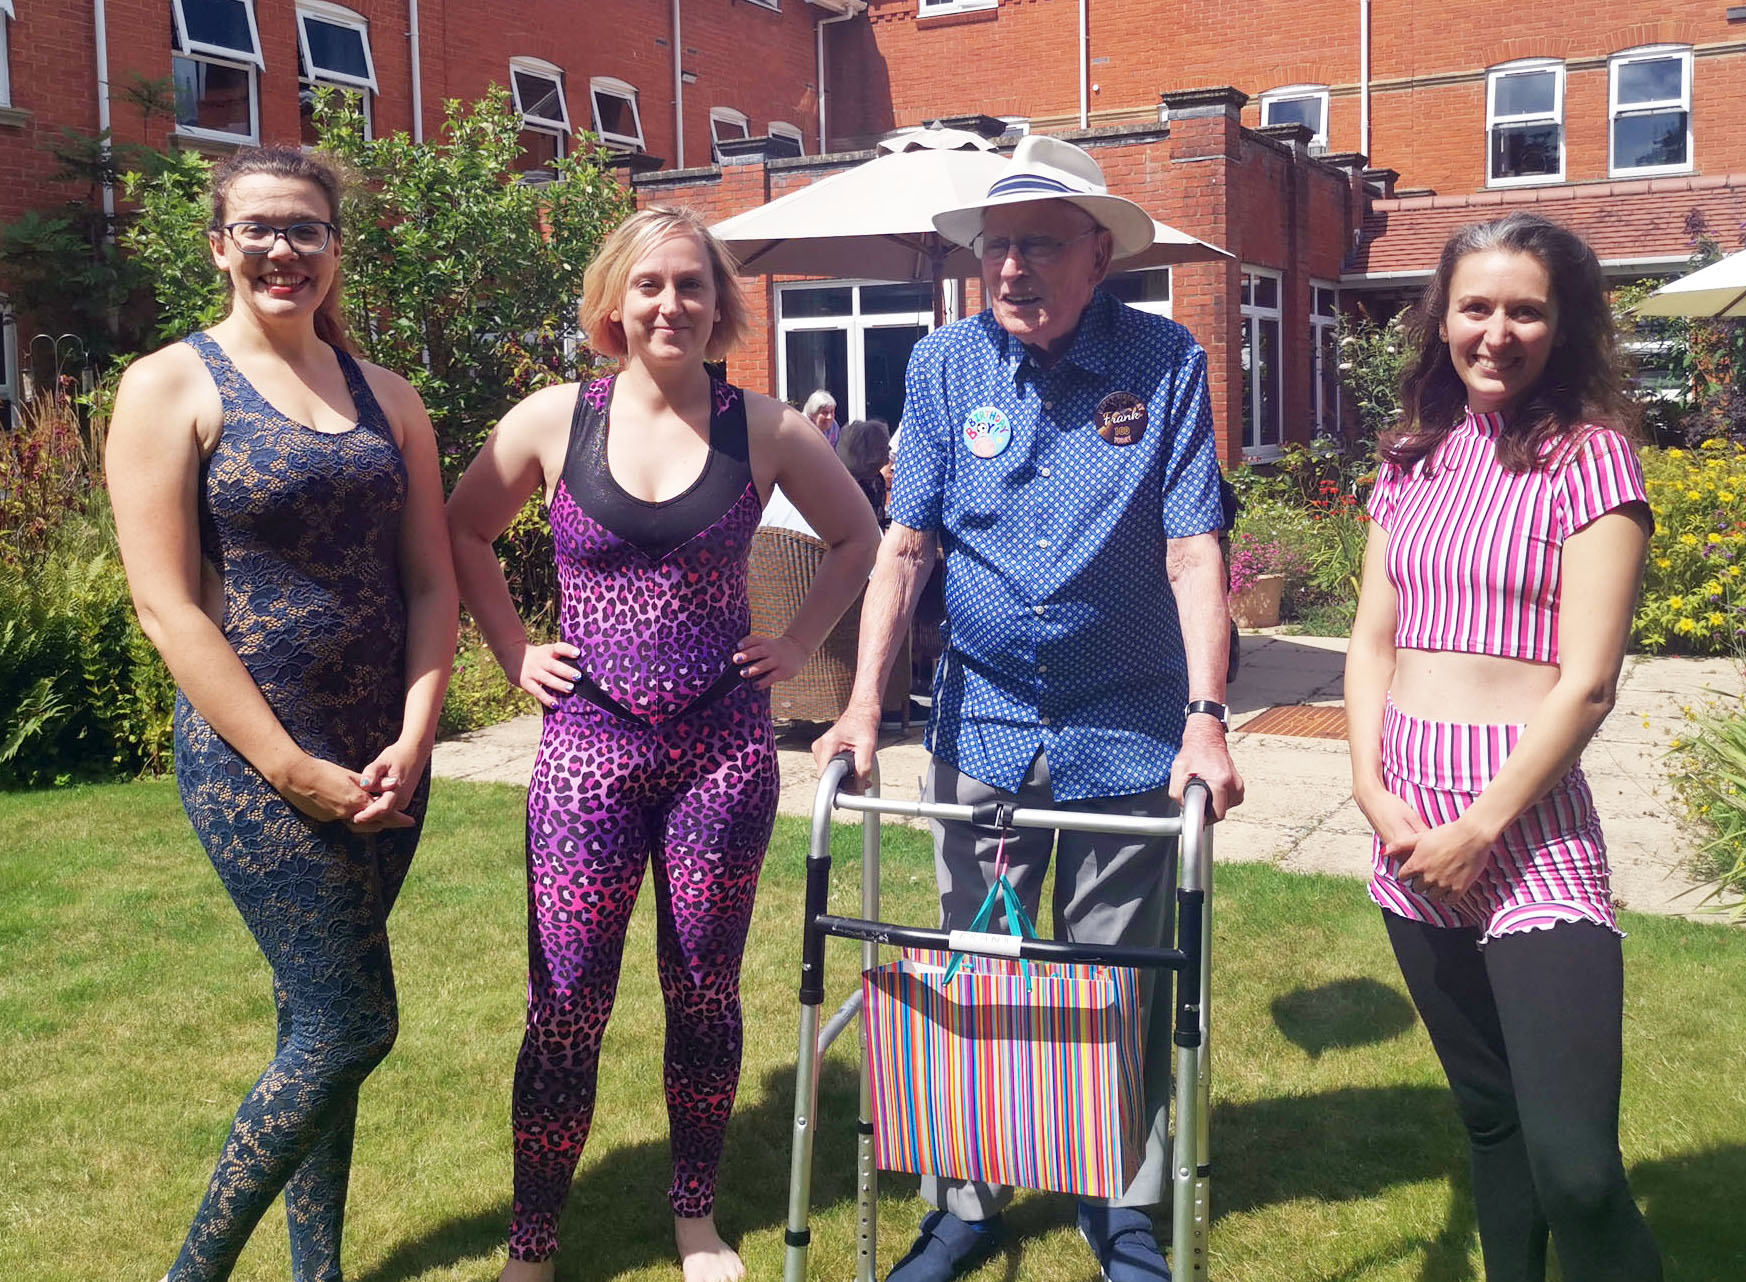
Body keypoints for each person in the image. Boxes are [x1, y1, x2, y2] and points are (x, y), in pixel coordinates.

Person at [812, 135, 1244, 1282]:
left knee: (1117, 974)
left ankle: (1119, 1199)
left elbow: (1195, 549)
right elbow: (904, 549)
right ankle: (967, 1195)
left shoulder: (1164, 363)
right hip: (984, 727)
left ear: (1096, 255)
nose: (1011, 268)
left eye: (1038, 246)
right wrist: (862, 707)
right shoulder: (944, 366)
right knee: (979, 957)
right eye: (995, 247)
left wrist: (1205, 713)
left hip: (1124, 722)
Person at [444, 206, 879, 1282]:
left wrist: (797, 642)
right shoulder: (555, 418)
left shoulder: (765, 429)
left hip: (718, 756)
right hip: (586, 754)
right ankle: (533, 1242)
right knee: (567, 996)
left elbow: (858, 534)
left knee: (703, 991)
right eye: (648, 286)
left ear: (718, 304)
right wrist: (510, 650)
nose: (669, 305)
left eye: (689, 285)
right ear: (612, 301)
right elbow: (461, 527)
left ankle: (694, 1217)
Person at [105, 146, 458, 1281]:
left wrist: (416, 732)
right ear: (219, 244)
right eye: (258, 228)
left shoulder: (388, 398)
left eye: (305, 229)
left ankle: (318, 1272)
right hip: (254, 760)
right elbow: (168, 610)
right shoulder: (170, 386)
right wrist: (290, 765)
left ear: (334, 249)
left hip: (385, 759)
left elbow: (428, 582)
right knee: (353, 1025)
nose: (282, 250)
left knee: (317, 1030)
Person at [1344, 212, 1662, 1281]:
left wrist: (1480, 826)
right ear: (1438, 319)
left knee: (1574, 1167)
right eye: (1472, 307)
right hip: (1408, 845)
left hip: (1528, 843)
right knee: (1489, 1124)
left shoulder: (1591, 459)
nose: (1495, 331)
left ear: (1561, 325)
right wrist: (1370, 792)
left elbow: (1588, 682)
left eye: (1523, 309)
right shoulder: (1410, 457)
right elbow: (1371, 639)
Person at [836, 417, 893, 528]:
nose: (889, 448)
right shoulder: (845, 485)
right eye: (884, 444)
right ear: (869, 452)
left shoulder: (878, 479)